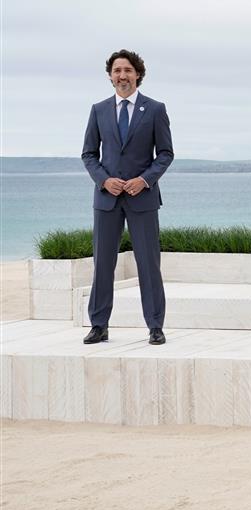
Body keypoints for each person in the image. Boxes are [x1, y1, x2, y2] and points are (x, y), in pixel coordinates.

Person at [81, 49, 174, 345]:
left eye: (128, 70)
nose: (123, 75)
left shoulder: (156, 109)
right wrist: (104, 180)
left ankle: (155, 325)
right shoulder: (98, 110)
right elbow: (88, 154)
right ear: (110, 76)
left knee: (149, 264)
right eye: (117, 70)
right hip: (106, 200)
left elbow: (166, 154)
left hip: (142, 199)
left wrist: (144, 180)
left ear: (138, 75)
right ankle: (98, 324)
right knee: (103, 264)